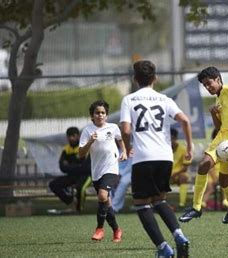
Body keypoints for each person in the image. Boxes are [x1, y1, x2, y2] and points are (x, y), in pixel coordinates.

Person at [120, 60, 193, 258]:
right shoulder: (165, 99)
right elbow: (185, 120)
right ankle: (179, 235)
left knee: (142, 204)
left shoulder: (129, 100)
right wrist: (190, 146)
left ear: (135, 79)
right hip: (165, 157)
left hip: (143, 157)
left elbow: (126, 129)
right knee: (159, 199)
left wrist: (128, 148)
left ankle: (164, 249)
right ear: (155, 78)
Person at [179, 66, 228, 224]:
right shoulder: (219, 97)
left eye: (209, 83)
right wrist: (214, 113)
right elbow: (218, 126)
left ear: (218, 80)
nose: (208, 87)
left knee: (223, 180)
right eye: (205, 85)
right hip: (222, 136)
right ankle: (196, 207)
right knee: (203, 165)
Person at [79, 100, 127, 242]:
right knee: (106, 201)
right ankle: (117, 230)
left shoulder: (113, 127)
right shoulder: (87, 131)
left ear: (106, 115)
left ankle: (99, 229)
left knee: (102, 196)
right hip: (96, 171)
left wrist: (123, 152)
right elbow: (81, 153)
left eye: (103, 113)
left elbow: (120, 140)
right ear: (92, 116)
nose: (100, 115)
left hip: (111, 167)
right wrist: (90, 142)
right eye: (97, 113)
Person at [49, 127, 91, 212]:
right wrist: (77, 166)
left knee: (80, 188)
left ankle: (79, 210)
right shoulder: (66, 149)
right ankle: (71, 201)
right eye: (69, 136)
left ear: (78, 136)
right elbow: (62, 167)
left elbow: (86, 167)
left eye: (73, 136)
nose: (71, 138)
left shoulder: (84, 147)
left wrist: (70, 166)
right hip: (72, 176)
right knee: (53, 185)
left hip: (86, 176)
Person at [170, 127, 192, 209]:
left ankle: (181, 204)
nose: (170, 141)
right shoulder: (163, 149)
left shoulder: (183, 149)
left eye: (172, 139)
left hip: (177, 174)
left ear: (176, 138)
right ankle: (157, 204)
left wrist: (174, 173)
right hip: (165, 174)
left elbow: (185, 167)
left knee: (183, 177)